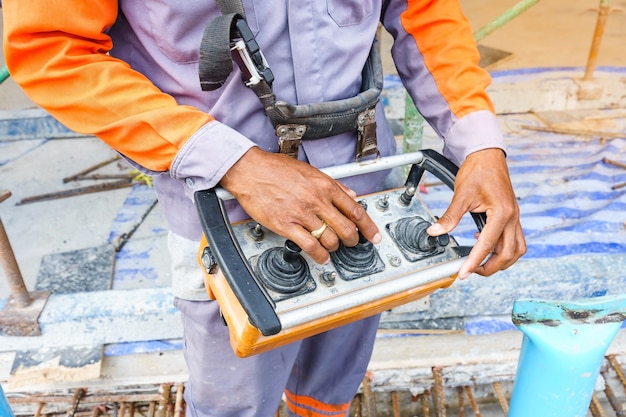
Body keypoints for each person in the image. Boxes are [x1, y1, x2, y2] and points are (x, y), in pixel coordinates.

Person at [3, 1, 526, 416]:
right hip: (220, 211)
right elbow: (53, 49)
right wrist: (234, 163)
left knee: (332, 380)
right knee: (233, 397)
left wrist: (478, 142)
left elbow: (424, 11)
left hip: (363, 191)